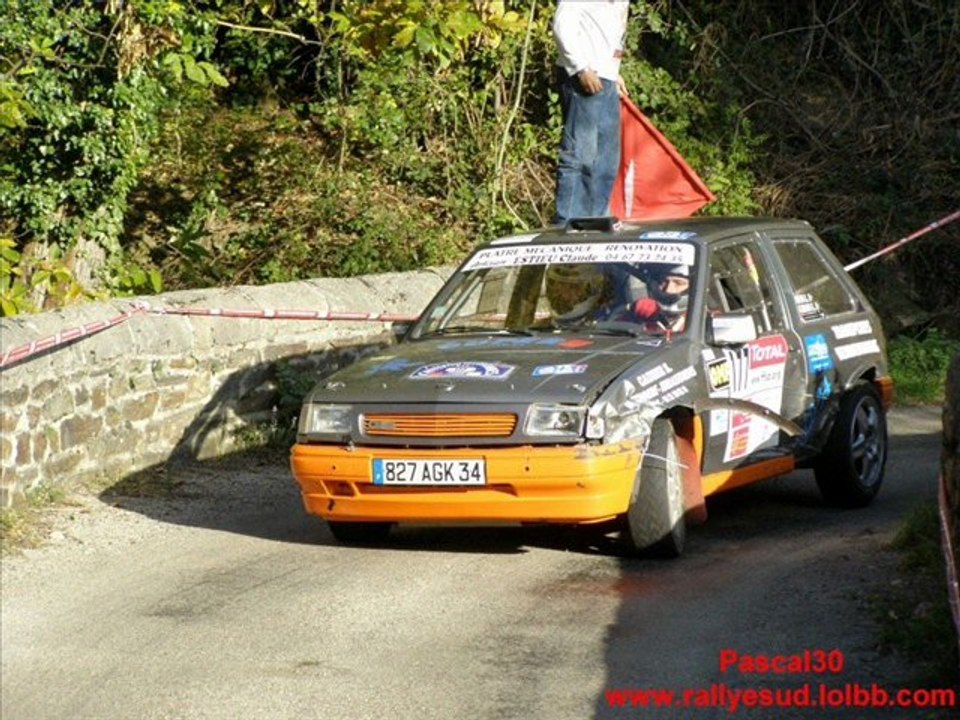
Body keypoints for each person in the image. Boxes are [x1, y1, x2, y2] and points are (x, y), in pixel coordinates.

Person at [552, 0, 630, 226]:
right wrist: (580, 68)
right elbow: (561, 26)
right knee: (580, 154)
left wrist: (613, 73)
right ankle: (568, 225)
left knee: (606, 159)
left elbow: (609, 36)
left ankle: (595, 222)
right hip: (583, 77)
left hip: (606, 77)